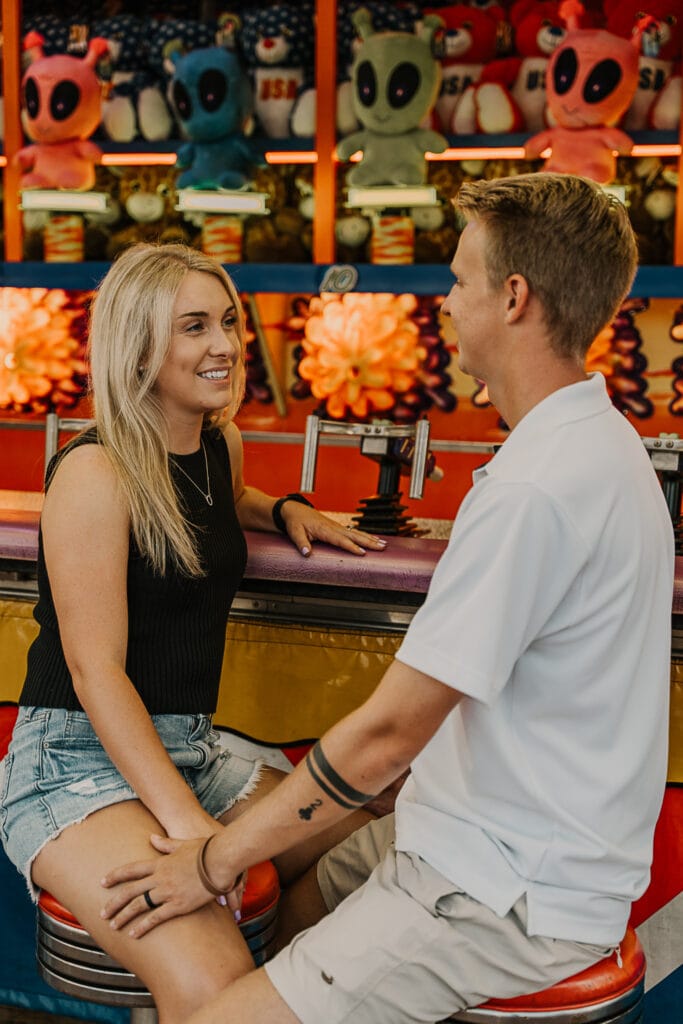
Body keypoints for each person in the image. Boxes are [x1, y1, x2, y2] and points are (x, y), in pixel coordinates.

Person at [99, 174, 675, 1024]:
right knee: (295, 900)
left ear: (512, 298)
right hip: (494, 835)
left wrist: (210, 861)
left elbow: (385, 738)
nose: (443, 304)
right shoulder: (601, 439)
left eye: (457, 282)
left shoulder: (533, 491)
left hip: (499, 889)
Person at [0, 243, 388, 1024]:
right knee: (209, 984)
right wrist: (195, 835)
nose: (224, 345)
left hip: (188, 748)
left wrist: (282, 510)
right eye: (193, 327)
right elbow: (95, 672)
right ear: (138, 346)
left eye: (228, 322)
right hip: (75, 763)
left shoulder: (218, 442)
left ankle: (275, 979)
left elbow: (224, 496)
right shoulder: (93, 473)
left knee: (370, 843)